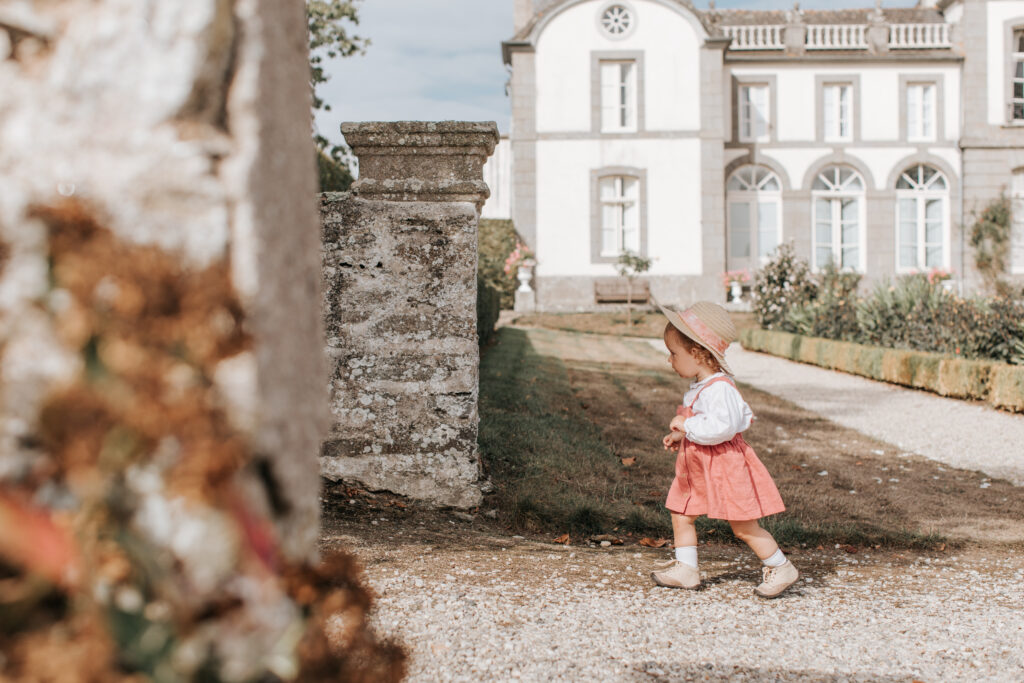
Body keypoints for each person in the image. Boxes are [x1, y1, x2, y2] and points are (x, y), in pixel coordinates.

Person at [649, 299, 798, 599]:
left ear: (697, 353)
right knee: (681, 511)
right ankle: (687, 568)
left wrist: (687, 426)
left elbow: (723, 428)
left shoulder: (720, 388)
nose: (670, 360)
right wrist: (682, 435)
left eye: (674, 353)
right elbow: (705, 423)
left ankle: (780, 566)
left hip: (724, 468)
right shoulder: (703, 386)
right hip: (699, 467)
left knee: (742, 524)